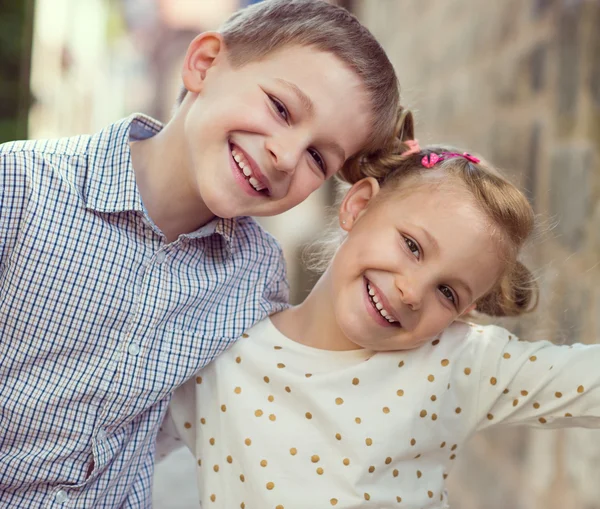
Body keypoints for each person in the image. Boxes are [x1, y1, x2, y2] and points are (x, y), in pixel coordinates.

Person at [0, 1, 402, 507]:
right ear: (205, 63)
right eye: (281, 108)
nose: (285, 155)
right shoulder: (19, 188)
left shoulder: (256, 283)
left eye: (319, 157)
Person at [166, 124, 600, 508]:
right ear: (358, 206)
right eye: (412, 246)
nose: (412, 292)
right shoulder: (216, 350)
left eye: (447, 292)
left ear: (465, 312)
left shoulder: (458, 360)